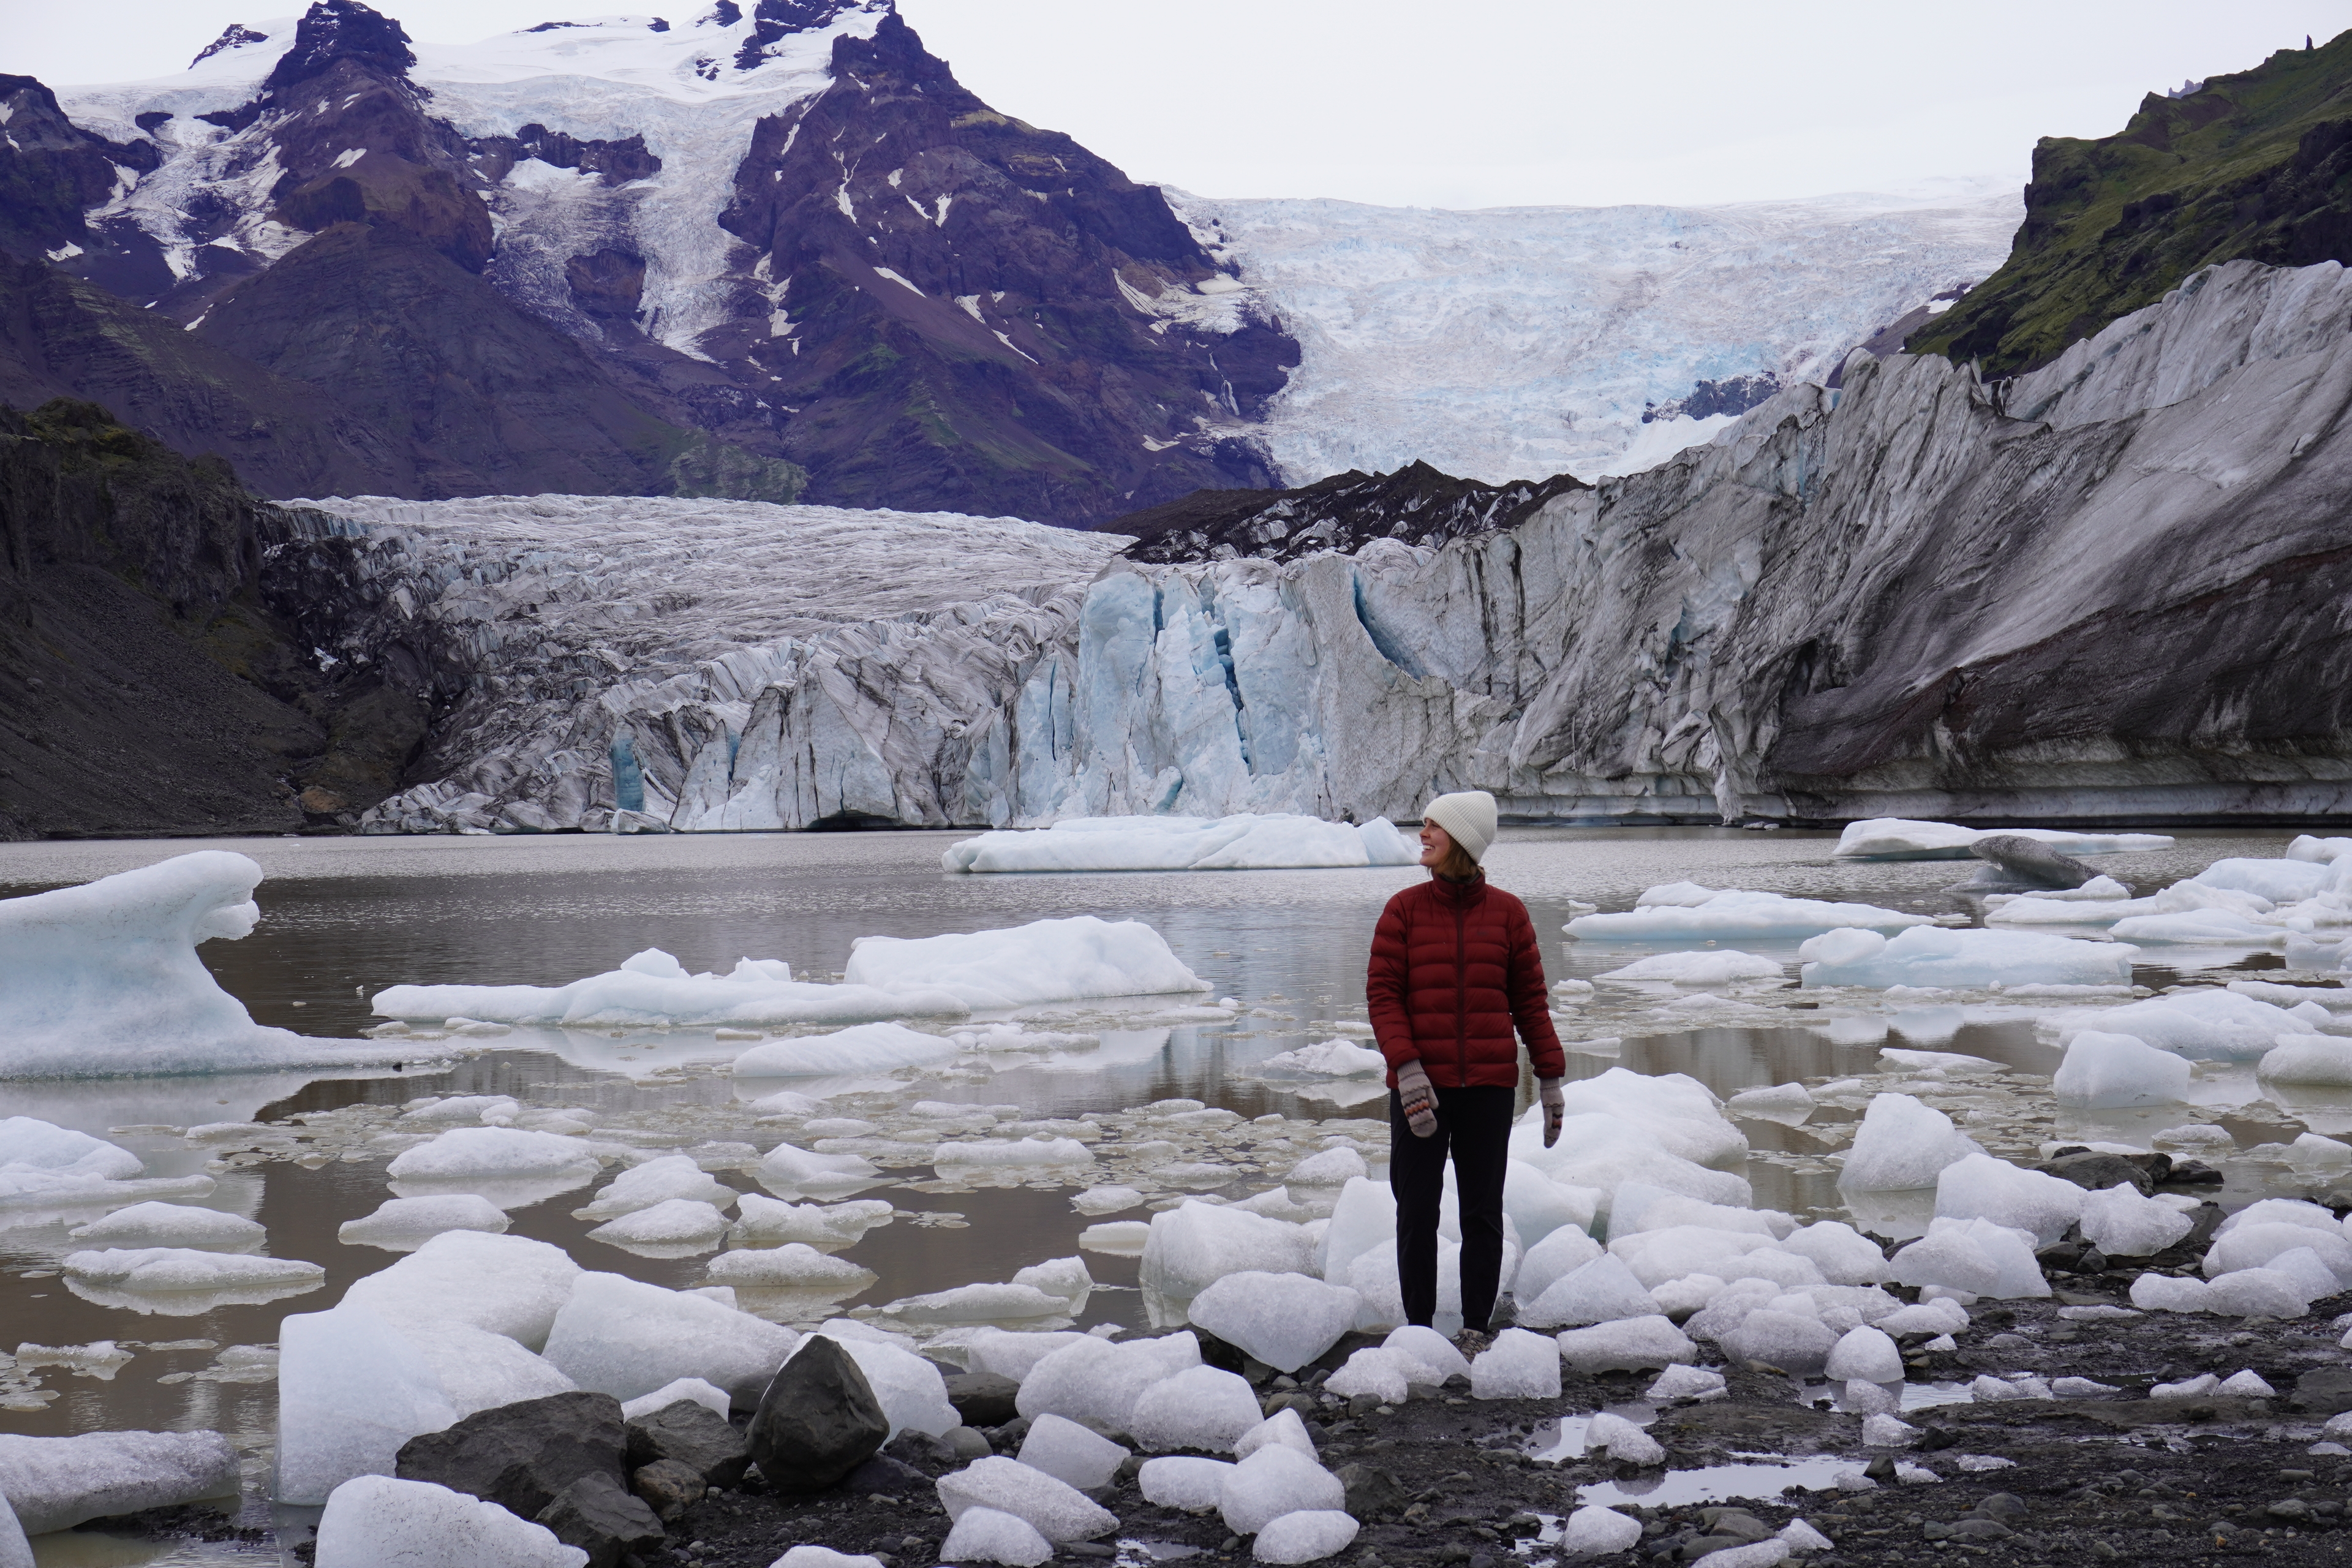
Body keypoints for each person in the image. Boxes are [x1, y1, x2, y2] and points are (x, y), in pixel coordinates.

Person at [1365, 788, 1566, 1351]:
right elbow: (1383, 997)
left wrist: (1549, 1081)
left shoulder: (1508, 914)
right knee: (1417, 1212)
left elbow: (1530, 1003)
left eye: (1434, 827)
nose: (1422, 835)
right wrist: (1408, 1072)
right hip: (1418, 1089)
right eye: (1423, 825)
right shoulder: (1402, 911)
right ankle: (1420, 1333)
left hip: (1488, 1088)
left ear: (1464, 839)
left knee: (1482, 1213)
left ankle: (1477, 1329)